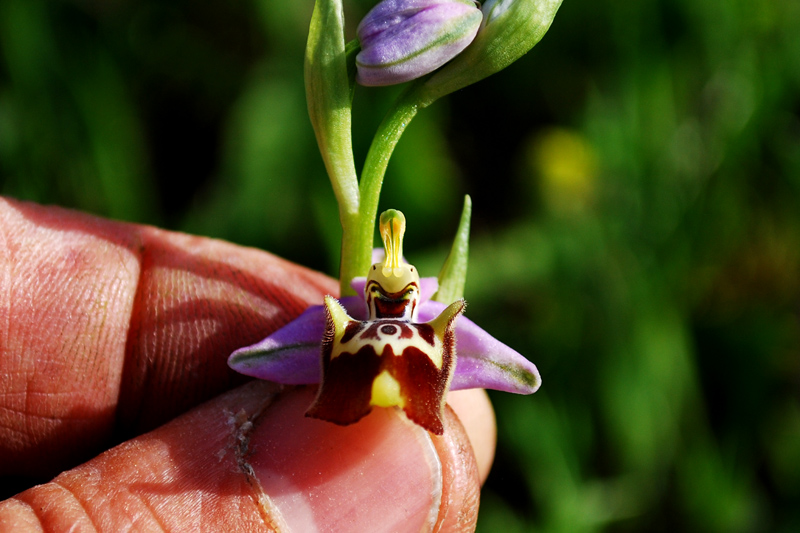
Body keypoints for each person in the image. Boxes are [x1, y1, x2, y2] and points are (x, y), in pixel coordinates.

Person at [0, 197, 495, 531]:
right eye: (379, 290)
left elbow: (506, 367)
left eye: (399, 292)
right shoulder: (349, 317)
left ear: (411, 293)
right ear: (369, 291)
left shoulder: (425, 317)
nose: (389, 297)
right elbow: (266, 355)